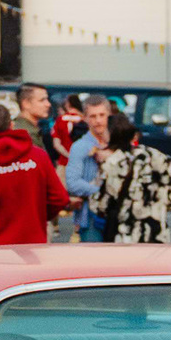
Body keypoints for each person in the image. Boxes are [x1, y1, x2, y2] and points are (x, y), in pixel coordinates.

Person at [0, 101, 74, 247]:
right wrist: (37, 217)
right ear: (11, 125)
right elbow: (60, 198)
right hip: (32, 248)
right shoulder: (38, 157)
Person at [91, 114, 171, 242]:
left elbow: (99, 204)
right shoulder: (150, 154)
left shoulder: (112, 162)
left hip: (125, 235)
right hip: (156, 232)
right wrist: (165, 200)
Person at [63, 93, 113, 242]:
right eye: (92, 116)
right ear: (84, 118)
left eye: (102, 115)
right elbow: (72, 183)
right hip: (90, 218)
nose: (98, 121)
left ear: (109, 115)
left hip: (117, 217)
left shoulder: (117, 143)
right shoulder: (79, 147)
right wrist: (106, 192)